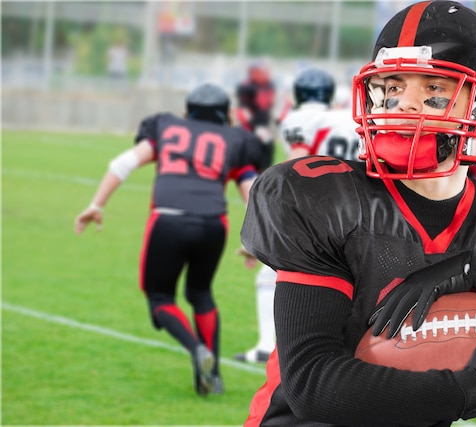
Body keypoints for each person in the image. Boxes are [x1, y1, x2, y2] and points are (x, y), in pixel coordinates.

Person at [239, 2, 476, 426]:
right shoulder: (321, 196)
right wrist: (466, 391)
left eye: (434, 91)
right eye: (392, 88)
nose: (402, 105)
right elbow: (312, 384)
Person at [74, 83, 262, 397]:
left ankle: (196, 349)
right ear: (223, 114)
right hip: (213, 223)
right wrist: (256, 239)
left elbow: (122, 163)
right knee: (201, 293)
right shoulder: (235, 140)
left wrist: (96, 205)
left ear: (188, 110)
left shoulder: (166, 127)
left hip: (169, 219)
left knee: (160, 297)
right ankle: (212, 376)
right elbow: (253, 193)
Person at [234, 66, 362, 364]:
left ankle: (268, 345)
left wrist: (265, 223)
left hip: (314, 209)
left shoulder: (298, 119)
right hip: (355, 209)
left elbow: (296, 168)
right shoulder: (349, 117)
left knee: (271, 274)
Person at [236, 59, 278, 171]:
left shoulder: (269, 84)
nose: (266, 74)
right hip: (251, 125)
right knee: (256, 149)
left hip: (263, 124)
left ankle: (263, 172)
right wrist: (255, 127)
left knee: (268, 148)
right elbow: (243, 110)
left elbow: (268, 106)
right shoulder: (246, 87)